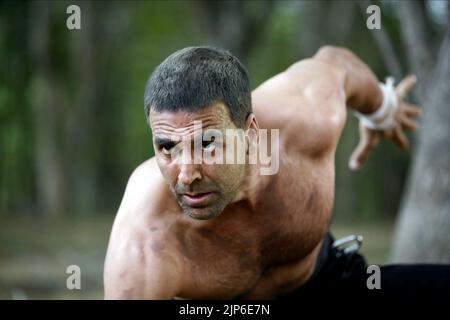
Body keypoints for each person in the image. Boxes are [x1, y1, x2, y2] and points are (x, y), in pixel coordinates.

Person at [103, 46, 447, 299]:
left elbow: (337, 63)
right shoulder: (146, 242)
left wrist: (382, 110)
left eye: (207, 143)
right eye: (167, 148)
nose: (186, 174)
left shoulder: (305, 118)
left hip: (327, 283)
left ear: (251, 132)